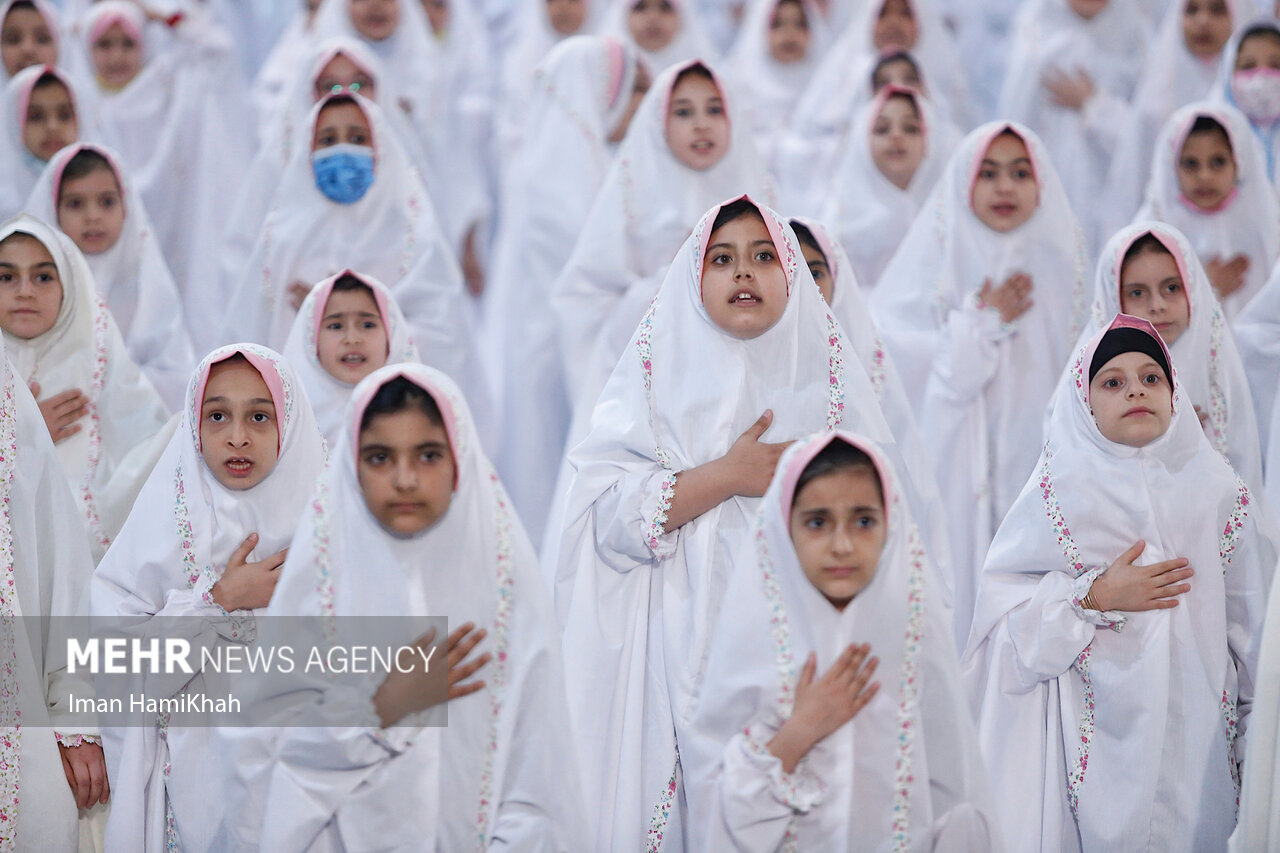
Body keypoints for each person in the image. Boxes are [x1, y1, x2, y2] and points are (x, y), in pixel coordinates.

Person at [554, 195, 897, 851]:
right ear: (694, 277)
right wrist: (728, 476)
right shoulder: (656, 375)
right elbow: (602, 513)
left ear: (792, 274)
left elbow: (887, 535)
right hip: (674, 647)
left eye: (765, 255)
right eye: (723, 258)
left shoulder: (830, 382)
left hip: (803, 655)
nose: (745, 272)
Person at [235, 364, 584, 850]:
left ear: (459, 459)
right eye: (380, 457)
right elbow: (267, 765)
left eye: (427, 455)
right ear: (352, 466)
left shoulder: (506, 582)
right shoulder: (318, 585)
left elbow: (539, 775)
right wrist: (380, 708)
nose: (404, 479)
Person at [964, 315, 1276, 852]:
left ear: (1175, 394)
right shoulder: (1056, 495)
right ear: (1084, 404)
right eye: (1112, 381)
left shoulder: (1218, 492)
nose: (1135, 388)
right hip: (1094, 749)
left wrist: (1258, 748)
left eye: (1151, 377)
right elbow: (1004, 640)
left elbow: (1256, 635)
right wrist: (1092, 596)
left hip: (1200, 743)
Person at [683, 432, 1000, 851]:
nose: (842, 545)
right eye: (817, 522)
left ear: (892, 525)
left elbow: (955, 800)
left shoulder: (916, 640)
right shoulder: (752, 650)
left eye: (864, 520)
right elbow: (719, 822)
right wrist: (801, 730)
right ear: (783, 528)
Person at [90, 343, 327, 853]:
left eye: (259, 417)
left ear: (290, 424)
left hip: (302, 789)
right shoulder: (163, 523)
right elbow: (114, 661)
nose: (237, 437)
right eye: (216, 415)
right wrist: (218, 600)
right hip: (195, 794)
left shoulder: (331, 522)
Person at [872, 122, 1090, 646]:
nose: (1005, 187)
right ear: (963, 183)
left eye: (1020, 172)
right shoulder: (932, 267)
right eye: (988, 173)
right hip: (954, 470)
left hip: (1036, 460)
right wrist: (978, 325)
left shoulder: (1064, 268)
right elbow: (902, 366)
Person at [488, 34, 645, 548]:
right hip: (558, 347)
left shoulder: (582, 155)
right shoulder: (564, 168)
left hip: (567, 341)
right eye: (633, 88)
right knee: (550, 457)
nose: (642, 103)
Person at [0, 213, 170, 560]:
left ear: (71, 285)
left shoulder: (105, 368)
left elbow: (149, 474)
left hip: (87, 570)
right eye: (6, 276)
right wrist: (17, 434)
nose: (25, 292)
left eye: (43, 276)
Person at [1082, 222, 1263, 492]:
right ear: (1113, 298)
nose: (1157, 305)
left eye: (1172, 288)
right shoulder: (1091, 376)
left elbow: (1244, 468)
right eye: (1137, 293)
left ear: (1193, 290)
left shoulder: (1220, 364)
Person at [25, 142, 195, 409]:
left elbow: (177, 376)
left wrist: (110, 384)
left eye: (106, 202)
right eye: (75, 204)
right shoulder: (30, 285)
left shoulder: (148, 282)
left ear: (126, 206)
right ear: (53, 210)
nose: (93, 216)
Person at [1135, 102, 1279, 318]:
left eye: (1218, 162)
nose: (1204, 176)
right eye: (1191, 164)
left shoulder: (1265, 226)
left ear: (1239, 163)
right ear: (1172, 166)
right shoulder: (1150, 232)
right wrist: (1202, 289)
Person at [820, 86, 959, 288]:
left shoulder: (951, 214)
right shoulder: (839, 220)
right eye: (882, 129)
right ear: (862, 142)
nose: (896, 136)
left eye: (911, 129)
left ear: (931, 141)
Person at [281, 269, 418, 446]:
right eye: (336, 326)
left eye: (368, 325)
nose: (352, 339)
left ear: (391, 335)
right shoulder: (288, 423)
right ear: (311, 338)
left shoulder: (419, 416)